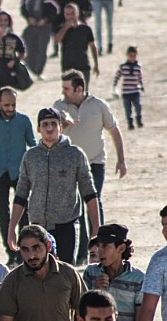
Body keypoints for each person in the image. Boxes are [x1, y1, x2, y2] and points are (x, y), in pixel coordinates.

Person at [8, 107, 99, 265]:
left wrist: (96, 229)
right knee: (36, 271)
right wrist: (12, 230)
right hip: (37, 227)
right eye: (45, 124)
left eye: (53, 124)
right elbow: (21, 194)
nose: (49, 128)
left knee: (64, 272)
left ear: (60, 127)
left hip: (67, 226)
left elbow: (89, 193)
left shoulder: (75, 155)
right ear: (38, 128)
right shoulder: (30, 156)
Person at [54, 69, 126, 265]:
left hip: (95, 162)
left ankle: (98, 248)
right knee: (75, 206)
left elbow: (114, 131)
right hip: (69, 165)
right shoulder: (59, 106)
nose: (63, 92)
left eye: (67, 88)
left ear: (79, 89)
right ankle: (82, 251)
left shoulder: (98, 105)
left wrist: (121, 160)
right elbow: (52, 129)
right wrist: (63, 123)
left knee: (94, 202)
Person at [0, 87, 36, 266]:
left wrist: (36, 171)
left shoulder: (24, 121)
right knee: (4, 215)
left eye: (13, 105)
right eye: (7, 105)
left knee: (24, 215)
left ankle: (24, 252)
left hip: (21, 174)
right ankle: (11, 253)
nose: (10, 108)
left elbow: (33, 146)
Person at [83, 223, 143, 321]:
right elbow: (82, 312)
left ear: (121, 248)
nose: (100, 251)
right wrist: (96, 291)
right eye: (98, 245)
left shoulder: (138, 278)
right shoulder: (91, 273)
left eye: (105, 246)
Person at [0, 12, 26, 114]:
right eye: (1, 20)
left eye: (5, 20)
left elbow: (22, 52)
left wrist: (15, 60)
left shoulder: (14, 38)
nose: (3, 23)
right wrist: (0, 36)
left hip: (9, 72)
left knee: (8, 98)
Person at [54, 3, 99, 86]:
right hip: (68, 67)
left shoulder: (86, 29)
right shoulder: (61, 28)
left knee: (83, 91)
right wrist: (65, 28)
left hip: (83, 66)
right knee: (70, 91)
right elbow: (56, 41)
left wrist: (96, 64)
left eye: (73, 13)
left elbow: (93, 47)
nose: (70, 16)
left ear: (77, 13)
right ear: (64, 15)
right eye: (67, 14)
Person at [21, 0, 60, 79]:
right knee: (29, 48)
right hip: (32, 27)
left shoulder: (47, 2)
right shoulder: (28, 1)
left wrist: (45, 20)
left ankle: (39, 71)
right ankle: (31, 70)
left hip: (44, 28)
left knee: (42, 50)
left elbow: (55, 11)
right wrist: (29, 18)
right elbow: (23, 9)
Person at [113, 46, 144, 130]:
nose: (132, 58)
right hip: (126, 92)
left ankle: (139, 120)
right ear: (127, 55)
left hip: (135, 91)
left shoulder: (138, 66)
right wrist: (115, 85)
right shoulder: (123, 67)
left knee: (138, 106)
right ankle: (130, 123)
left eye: (134, 56)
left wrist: (141, 85)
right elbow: (117, 76)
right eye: (130, 56)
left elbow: (140, 77)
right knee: (128, 109)